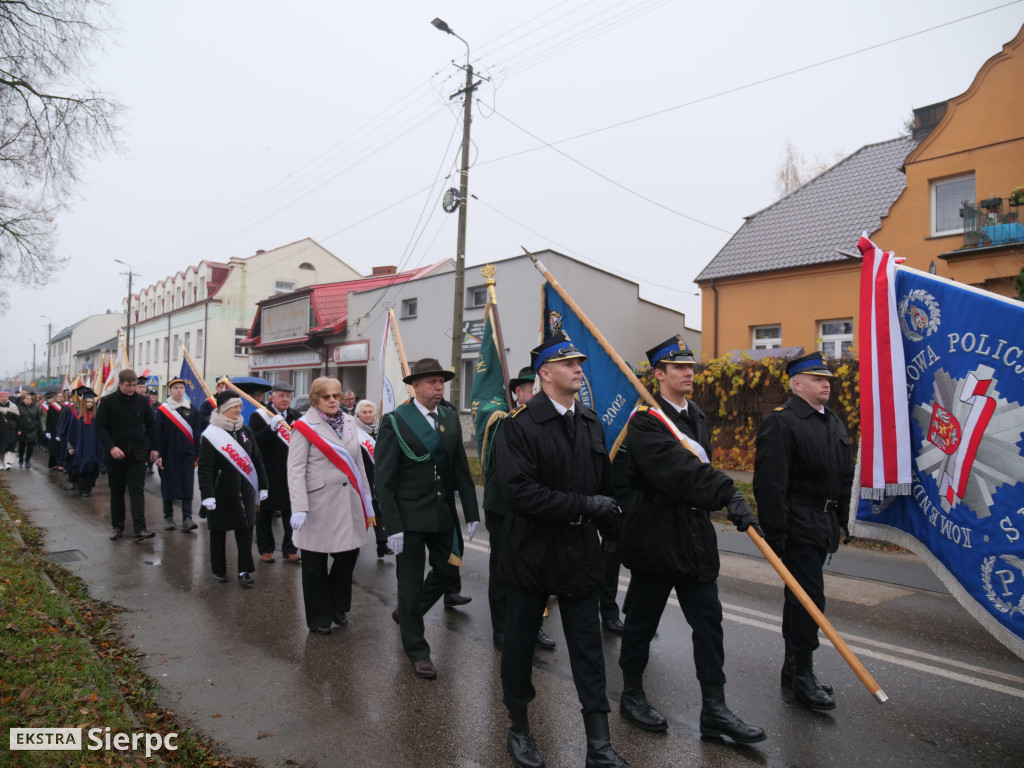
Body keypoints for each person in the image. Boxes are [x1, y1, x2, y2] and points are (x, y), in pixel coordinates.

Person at [617, 335, 766, 744]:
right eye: (678, 367)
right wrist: (727, 492)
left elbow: (700, 473)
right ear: (658, 374)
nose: (688, 373)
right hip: (656, 534)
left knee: (709, 622)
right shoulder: (645, 420)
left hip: (694, 535)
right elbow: (676, 472)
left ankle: (714, 710)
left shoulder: (697, 414)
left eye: (691, 367)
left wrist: (719, 497)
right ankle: (631, 693)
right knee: (642, 622)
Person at [495, 332, 634, 768]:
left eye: (580, 363)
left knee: (589, 650)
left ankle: (599, 743)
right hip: (531, 554)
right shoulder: (519, 425)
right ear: (546, 373)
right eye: (568, 362)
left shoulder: (591, 422)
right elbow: (522, 495)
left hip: (579, 554)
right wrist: (584, 505)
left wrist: (612, 525)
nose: (578, 369)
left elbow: (603, 486)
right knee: (518, 648)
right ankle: (519, 728)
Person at [754, 351, 854, 712]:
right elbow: (770, 482)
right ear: (797, 385)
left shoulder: (834, 424)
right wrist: (776, 533)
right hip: (797, 524)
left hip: (822, 524)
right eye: (816, 378)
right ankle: (803, 676)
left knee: (801, 599)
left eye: (826, 378)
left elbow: (844, 477)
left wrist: (844, 520)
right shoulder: (783, 423)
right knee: (809, 600)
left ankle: (792, 666)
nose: (826, 382)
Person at [376, 357, 480, 680]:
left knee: (449, 572)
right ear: (415, 386)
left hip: (441, 516)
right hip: (408, 519)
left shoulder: (449, 419)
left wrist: (473, 513)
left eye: (442, 382)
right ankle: (418, 650)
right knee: (408, 586)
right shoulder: (395, 421)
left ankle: (408, 614)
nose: (439, 388)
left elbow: (461, 469)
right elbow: (384, 479)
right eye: (432, 382)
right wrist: (391, 525)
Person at [479, 366, 556, 651]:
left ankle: (534, 626)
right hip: (504, 508)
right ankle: (502, 629)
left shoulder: (551, 422)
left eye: (539, 388)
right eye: (530, 388)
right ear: (518, 393)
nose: (536, 393)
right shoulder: (506, 422)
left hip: (538, 507)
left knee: (537, 569)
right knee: (502, 569)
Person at [287, 377, 373, 634]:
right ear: (315, 400)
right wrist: (299, 506)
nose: (334, 400)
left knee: (347, 557)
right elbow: (295, 469)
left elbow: (357, 463)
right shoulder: (303, 427)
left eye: (336, 395)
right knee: (314, 565)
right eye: (327, 396)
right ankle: (318, 617)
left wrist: (367, 497)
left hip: (348, 502)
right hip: (318, 504)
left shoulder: (348, 421)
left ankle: (338, 606)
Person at [198, 391, 269, 587]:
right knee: (219, 531)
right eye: (234, 407)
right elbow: (204, 468)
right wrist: (207, 495)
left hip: (245, 489)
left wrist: (263, 485)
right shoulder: (212, 434)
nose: (239, 410)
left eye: (239, 406)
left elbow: (256, 460)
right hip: (221, 491)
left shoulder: (246, 430)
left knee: (245, 530)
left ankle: (244, 570)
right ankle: (219, 570)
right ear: (223, 410)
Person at [94, 370, 159, 542]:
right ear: (120, 383)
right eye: (128, 385)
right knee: (117, 491)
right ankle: (118, 527)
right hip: (115, 455)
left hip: (137, 454)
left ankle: (140, 529)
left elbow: (151, 425)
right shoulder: (107, 402)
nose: (132, 388)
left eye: (134, 385)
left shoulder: (143, 401)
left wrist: (154, 447)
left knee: (137, 491)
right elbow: (100, 427)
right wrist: (111, 447)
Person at [250, 381, 301, 563]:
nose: (285, 399)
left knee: (291, 512)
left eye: (288, 396)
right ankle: (266, 549)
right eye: (281, 395)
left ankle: (290, 548)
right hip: (267, 471)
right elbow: (253, 442)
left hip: (290, 472)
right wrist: (270, 429)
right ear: (272, 397)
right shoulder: (259, 416)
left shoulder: (296, 416)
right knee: (264, 513)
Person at [154, 377, 199, 532]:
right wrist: (158, 453)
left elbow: (197, 432)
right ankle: (168, 517)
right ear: (170, 391)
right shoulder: (163, 411)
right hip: (168, 454)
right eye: (176, 388)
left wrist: (198, 453)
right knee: (168, 485)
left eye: (182, 388)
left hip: (187, 454)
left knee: (187, 484)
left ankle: (187, 518)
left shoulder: (192, 409)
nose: (180, 391)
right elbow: (157, 433)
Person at [354, 398, 391, 558]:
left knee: (378, 509)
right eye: (364, 412)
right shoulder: (353, 431)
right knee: (361, 511)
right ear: (358, 414)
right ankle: (354, 543)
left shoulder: (380, 428)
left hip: (377, 476)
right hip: (361, 476)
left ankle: (382, 544)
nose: (368, 415)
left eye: (370, 412)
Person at [65, 389, 103, 497]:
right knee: (82, 466)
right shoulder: (77, 415)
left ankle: (89, 487)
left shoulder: (96, 416)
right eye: (88, 402)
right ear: (84, 402)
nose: (90, 404)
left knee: (92, 466)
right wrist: (70, 446)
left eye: (92, 402)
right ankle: (83, 489)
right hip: (80, 446)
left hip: (94, 447)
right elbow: (71, 432)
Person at [16, 392, 41, 468]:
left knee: (30, 446)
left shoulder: (35, 407)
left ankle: (27, 461)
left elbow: (38, 419)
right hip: (23, 429)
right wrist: (18, 429)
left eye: (30, 399)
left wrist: (40, 429)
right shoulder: (19, 407)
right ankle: (21, 458)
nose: (29, 400)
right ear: (23, 400)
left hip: (33, 429)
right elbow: (17, 419)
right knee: (22, 446)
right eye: (27, 399)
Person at [45, 391, 65, 470]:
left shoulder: (66, 406)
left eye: (61, 396)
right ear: (55, 398)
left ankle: (61, 463)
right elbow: (48, 419)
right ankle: (54, 463)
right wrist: (48, 431)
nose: (60, 398)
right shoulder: (52, 406)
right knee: (54, 447)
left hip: (62, 428)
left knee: (61, 447)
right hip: (53, 429)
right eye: (58, 396)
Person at [0, 390, 20, 469]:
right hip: (0, 430)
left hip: (11, 429)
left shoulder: (13, 406)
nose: (4, 398)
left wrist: (19, 429)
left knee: (10, 445)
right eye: (2, 396)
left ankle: (8, 463)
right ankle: (0, 463)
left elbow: (18, 419)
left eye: (5, 396)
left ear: (8, 397)